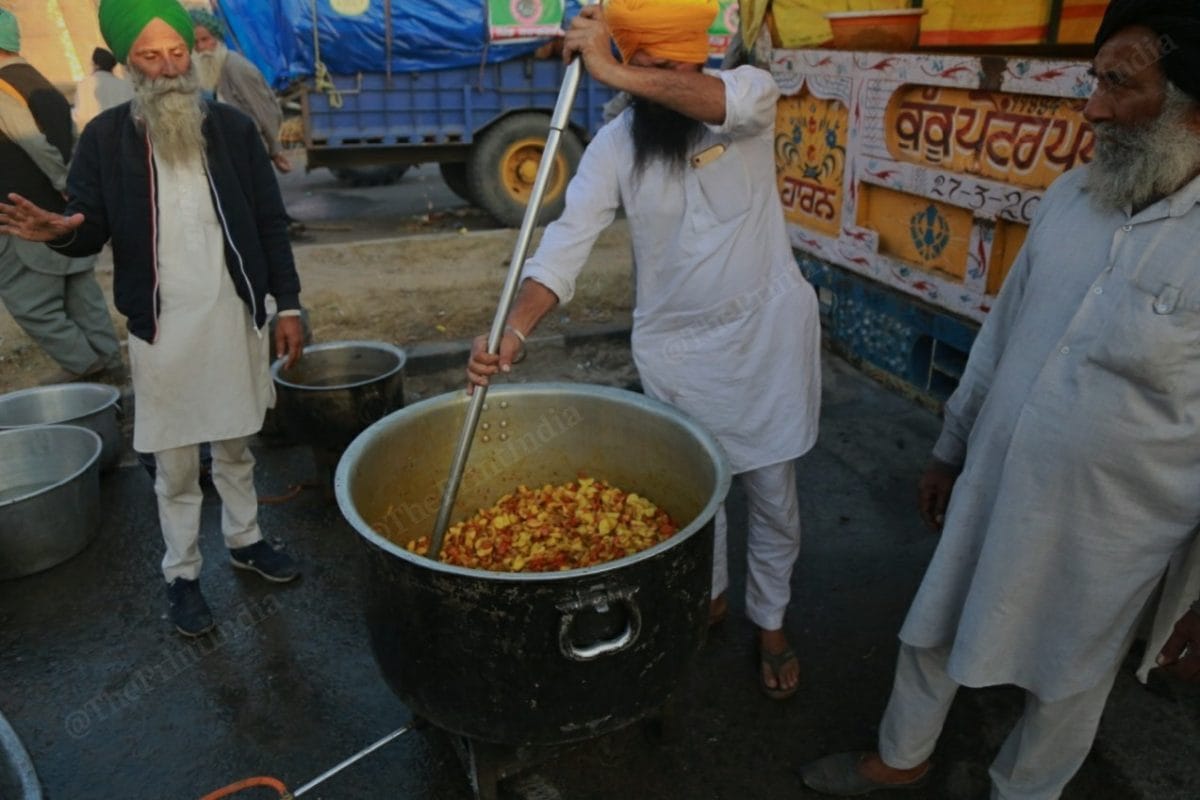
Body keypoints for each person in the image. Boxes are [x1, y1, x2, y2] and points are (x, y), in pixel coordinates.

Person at [800, 1, 1200, 797]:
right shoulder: (1070, 197)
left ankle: (1023, 791)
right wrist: (950, 447)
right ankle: (899, 760)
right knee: (937, 622)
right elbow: (1002, 334)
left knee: (1070, 680)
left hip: (1115, 535)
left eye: (1120, 87)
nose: (1092, 109)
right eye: (1095, 82)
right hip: (994, 481)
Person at [466, 0, 822, 700]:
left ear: (700, 54)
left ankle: (772, 621)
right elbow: (563, 247)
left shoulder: (747, 95)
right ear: (631, 60)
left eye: (678, 63)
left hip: (765, 343)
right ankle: (712, 595)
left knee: (774, 498)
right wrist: (515, 329)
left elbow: (711, 95)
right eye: (649, 65)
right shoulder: (615, 146)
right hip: (679, 357)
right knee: (699, 497)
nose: (666, 79)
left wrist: (614, 69)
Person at [0, 0, 306, 639]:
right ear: (128, 63)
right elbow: (86, 230)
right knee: (173, 466)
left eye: (177, 53)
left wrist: (290, 304)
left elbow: (271, 225)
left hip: (232, 315)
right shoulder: (106, 138)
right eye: (150, 56)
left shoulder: (230, 129)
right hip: (161, 329)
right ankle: (183, 573)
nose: (168, 69)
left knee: (234, 446)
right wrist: (58, 232)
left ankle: (246, 540)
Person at [0, 8, 122, 384]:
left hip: (27, 218)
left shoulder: (2, 88)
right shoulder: (40, 82)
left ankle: (88, 367)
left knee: (32, 303)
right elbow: (70, 137)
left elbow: (31, 140)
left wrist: (62, 182)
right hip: (63, 216)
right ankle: (112, 364)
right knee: (81, 295)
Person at [73, 46, 133, 131]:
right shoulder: (124, 85)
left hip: (94, 134)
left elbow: (80, 116)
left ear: (96, 65)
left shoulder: (84, 85)